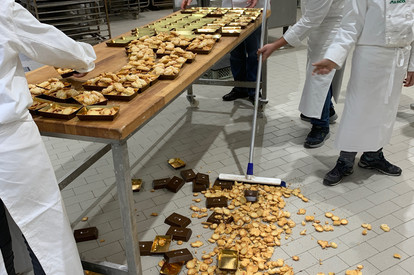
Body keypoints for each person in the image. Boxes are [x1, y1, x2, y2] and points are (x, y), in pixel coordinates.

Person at [0, 0, 96, 274]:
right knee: (42, 226)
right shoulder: (3, 10)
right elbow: (53, 45)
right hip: (8, 138)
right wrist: (84, 57)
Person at [312, 0, 414, 186]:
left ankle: (373, 155)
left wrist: (412, 65)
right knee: (358, 110)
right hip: (370, 57)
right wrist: (333, 57)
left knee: (386, 112)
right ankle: (345, 160)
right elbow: (350, 26)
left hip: (399, 58)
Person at [258, 0, 345, 148]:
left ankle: (321, 126)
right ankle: (327, 111)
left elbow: (310, 20)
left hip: (331, 29)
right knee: (319, 75)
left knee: (319, 78)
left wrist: (275, 45)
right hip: (320, 27)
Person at [181, 0, 266, 103]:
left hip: (254, 10)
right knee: (235, 53)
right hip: (230, 11)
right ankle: (240, 88)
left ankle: (254, 90)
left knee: (254, 53)